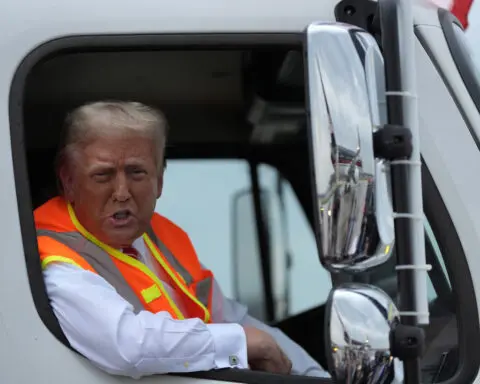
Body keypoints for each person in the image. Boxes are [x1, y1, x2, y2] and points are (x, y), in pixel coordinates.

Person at [34, 100, 329, 379]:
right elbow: (127, 345)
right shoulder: (54, 257)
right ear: (68, 182)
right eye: (103, 175)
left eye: (137, 172)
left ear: (159, 181)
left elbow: (232, 318)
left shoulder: (160, 238)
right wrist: (237, 343)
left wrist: (314, 376)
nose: (122, 191)